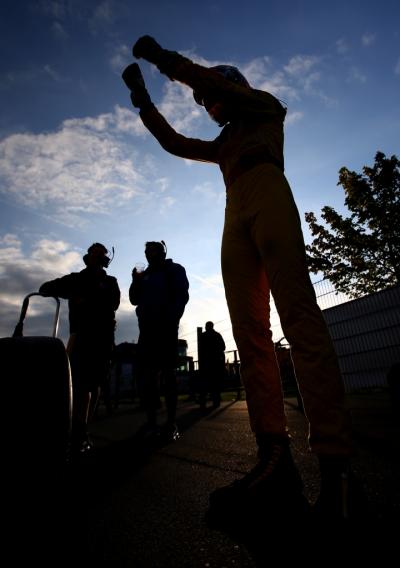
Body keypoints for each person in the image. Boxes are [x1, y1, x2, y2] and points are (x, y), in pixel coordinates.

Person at [122, 37, 363, 520]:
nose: (208, 106)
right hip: (236, 212)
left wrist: (163, 59)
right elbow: (177, 144)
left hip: (269, 193)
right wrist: (142, 101)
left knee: (298, 316)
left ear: (231, 85)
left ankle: (335, 465)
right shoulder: (224, 143)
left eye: (210, 98)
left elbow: (210, 82)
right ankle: (274, 457)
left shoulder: (265, 108)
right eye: (205, 103)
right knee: (250, 335)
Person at [39, 243, 120, 454]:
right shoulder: (75, 279)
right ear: (88, 257)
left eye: (100, 254)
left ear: (105, 260)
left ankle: (82, 430)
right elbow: (45, 288)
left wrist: (85, 300)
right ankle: (77, 431)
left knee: (95, 384)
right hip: (80, 338)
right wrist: (72, 295)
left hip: (102, 339)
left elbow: (113, 303)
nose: (96, 257)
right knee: (80, 384)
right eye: (93, 253)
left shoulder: (110, 282)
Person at [129, 241, 189, 442]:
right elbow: (134, 299)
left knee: (169, 373)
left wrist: (171, 318)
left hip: (166, 328)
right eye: (147, 252)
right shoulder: (144, 275)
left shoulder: (175, 269)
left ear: (162, 253)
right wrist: (135, 282)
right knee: (148, 375)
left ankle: (171, 422)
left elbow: (182, 296)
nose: (149, 255)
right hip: (146, 329)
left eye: (153, 251)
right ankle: (152, 421)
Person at [199, 321, 226, 409]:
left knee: (205, 383)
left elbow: (200, 350)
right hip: (216, 363)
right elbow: (223, 347)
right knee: (215, 382)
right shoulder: (217, 335)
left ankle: (203, 402)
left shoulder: (202, 336)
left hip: (206, 363)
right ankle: (216, 401)